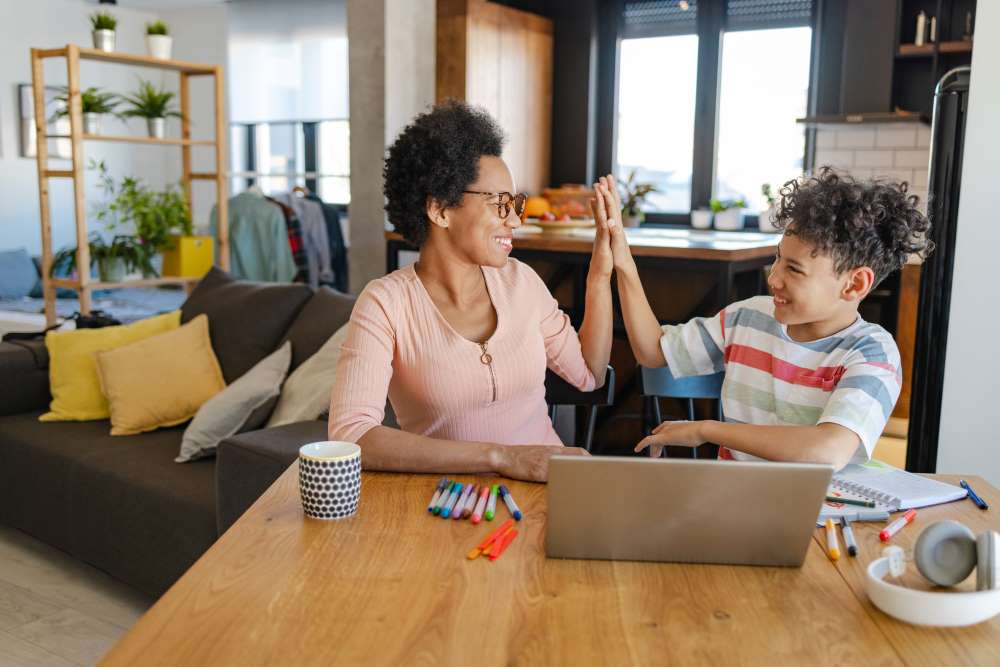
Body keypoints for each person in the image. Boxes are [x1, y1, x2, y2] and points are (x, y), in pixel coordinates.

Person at [328, 101, 615, 482]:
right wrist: (500, 457)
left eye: (515, 204)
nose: (514, 219)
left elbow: (588, 376)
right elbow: (352, 435)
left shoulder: (523, 283)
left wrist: (598, 278)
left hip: (547, 492)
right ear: (440, 210)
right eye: (500, 203)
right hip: (447, 504)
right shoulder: (385, 304)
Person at [590, 167, 932, 470]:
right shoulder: (748, 318)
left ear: (854, 283)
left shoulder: (872, 354)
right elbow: (653, 352)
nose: (774, 278)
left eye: (795, 269)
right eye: (778, 259)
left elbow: (827, 450)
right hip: (734, 502)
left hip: (822, 517)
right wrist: (624, 261)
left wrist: (705, 429)